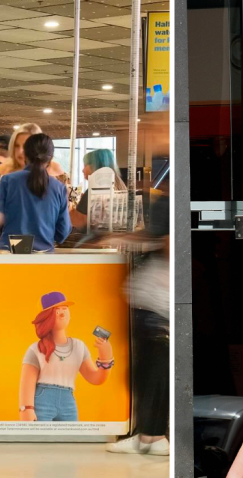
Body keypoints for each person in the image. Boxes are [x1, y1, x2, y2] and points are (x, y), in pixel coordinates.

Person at [105, 188, 171, 456]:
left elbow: (165, 241)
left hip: (157, 307)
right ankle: (149, 435)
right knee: (144, 373)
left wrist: (128, 239)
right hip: (153, 307)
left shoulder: (168, 203)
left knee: (150, 373)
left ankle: (151, 437)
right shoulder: (167, 201)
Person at [18, 291, 114, 421]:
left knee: (70, 439)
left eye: (65, 309)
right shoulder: (36, 349)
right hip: (42, 399)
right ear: (46, 316)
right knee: (41, 439)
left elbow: (96, 378)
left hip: (68, 401)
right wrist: (26, 409)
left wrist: (106, 356)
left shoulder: (78, 346)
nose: (62, 313)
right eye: (57, 311)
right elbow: (27, 383)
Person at [0, 134, 71, 252]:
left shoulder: (8, 181)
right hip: (44, 259)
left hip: (10, 255)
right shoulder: (59, 188)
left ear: (25, 155)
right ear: (50, 158)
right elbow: (62, 234)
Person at [69, 149, 127, 231]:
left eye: (85, 165)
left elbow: (79, 222)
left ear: (95, 166)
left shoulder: (93, 191)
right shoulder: (120, 186)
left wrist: (67, 208)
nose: (82, 170)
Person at [0, 123, 65, 179]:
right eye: (17, 146)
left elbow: (69, 197)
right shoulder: (3, 170)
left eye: (25, 146)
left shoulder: (55, 169)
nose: (20, 151)